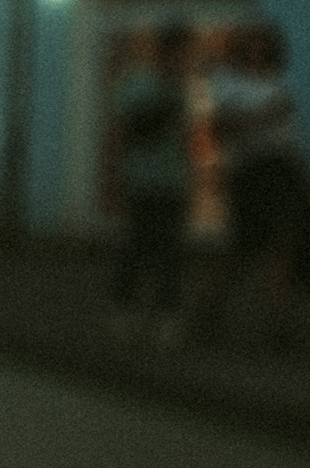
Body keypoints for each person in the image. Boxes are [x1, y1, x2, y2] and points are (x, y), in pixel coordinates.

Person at [208, 20, 306, 353]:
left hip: (282, 169)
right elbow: (222, 129)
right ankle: (207, 315)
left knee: (285, 245)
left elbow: (286, 134)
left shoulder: (276, 81)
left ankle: (279, 324)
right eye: (251, 43)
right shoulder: (228, 82)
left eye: (264, 43)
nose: (257, 49)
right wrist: (265, 116)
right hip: (251, 171)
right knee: (239, 250)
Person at [109, 20, 195, 345]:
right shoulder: (138, 85)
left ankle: (166, 318)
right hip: (142, 180)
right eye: (181, 53)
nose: (184, 60)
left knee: (171, 252)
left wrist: (190, 178)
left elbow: (184, 139)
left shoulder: (181, 89)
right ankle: (125, 313)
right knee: (137, 247)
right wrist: (117, 177)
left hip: (172, 182)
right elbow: (120, 132)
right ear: (168, 51)